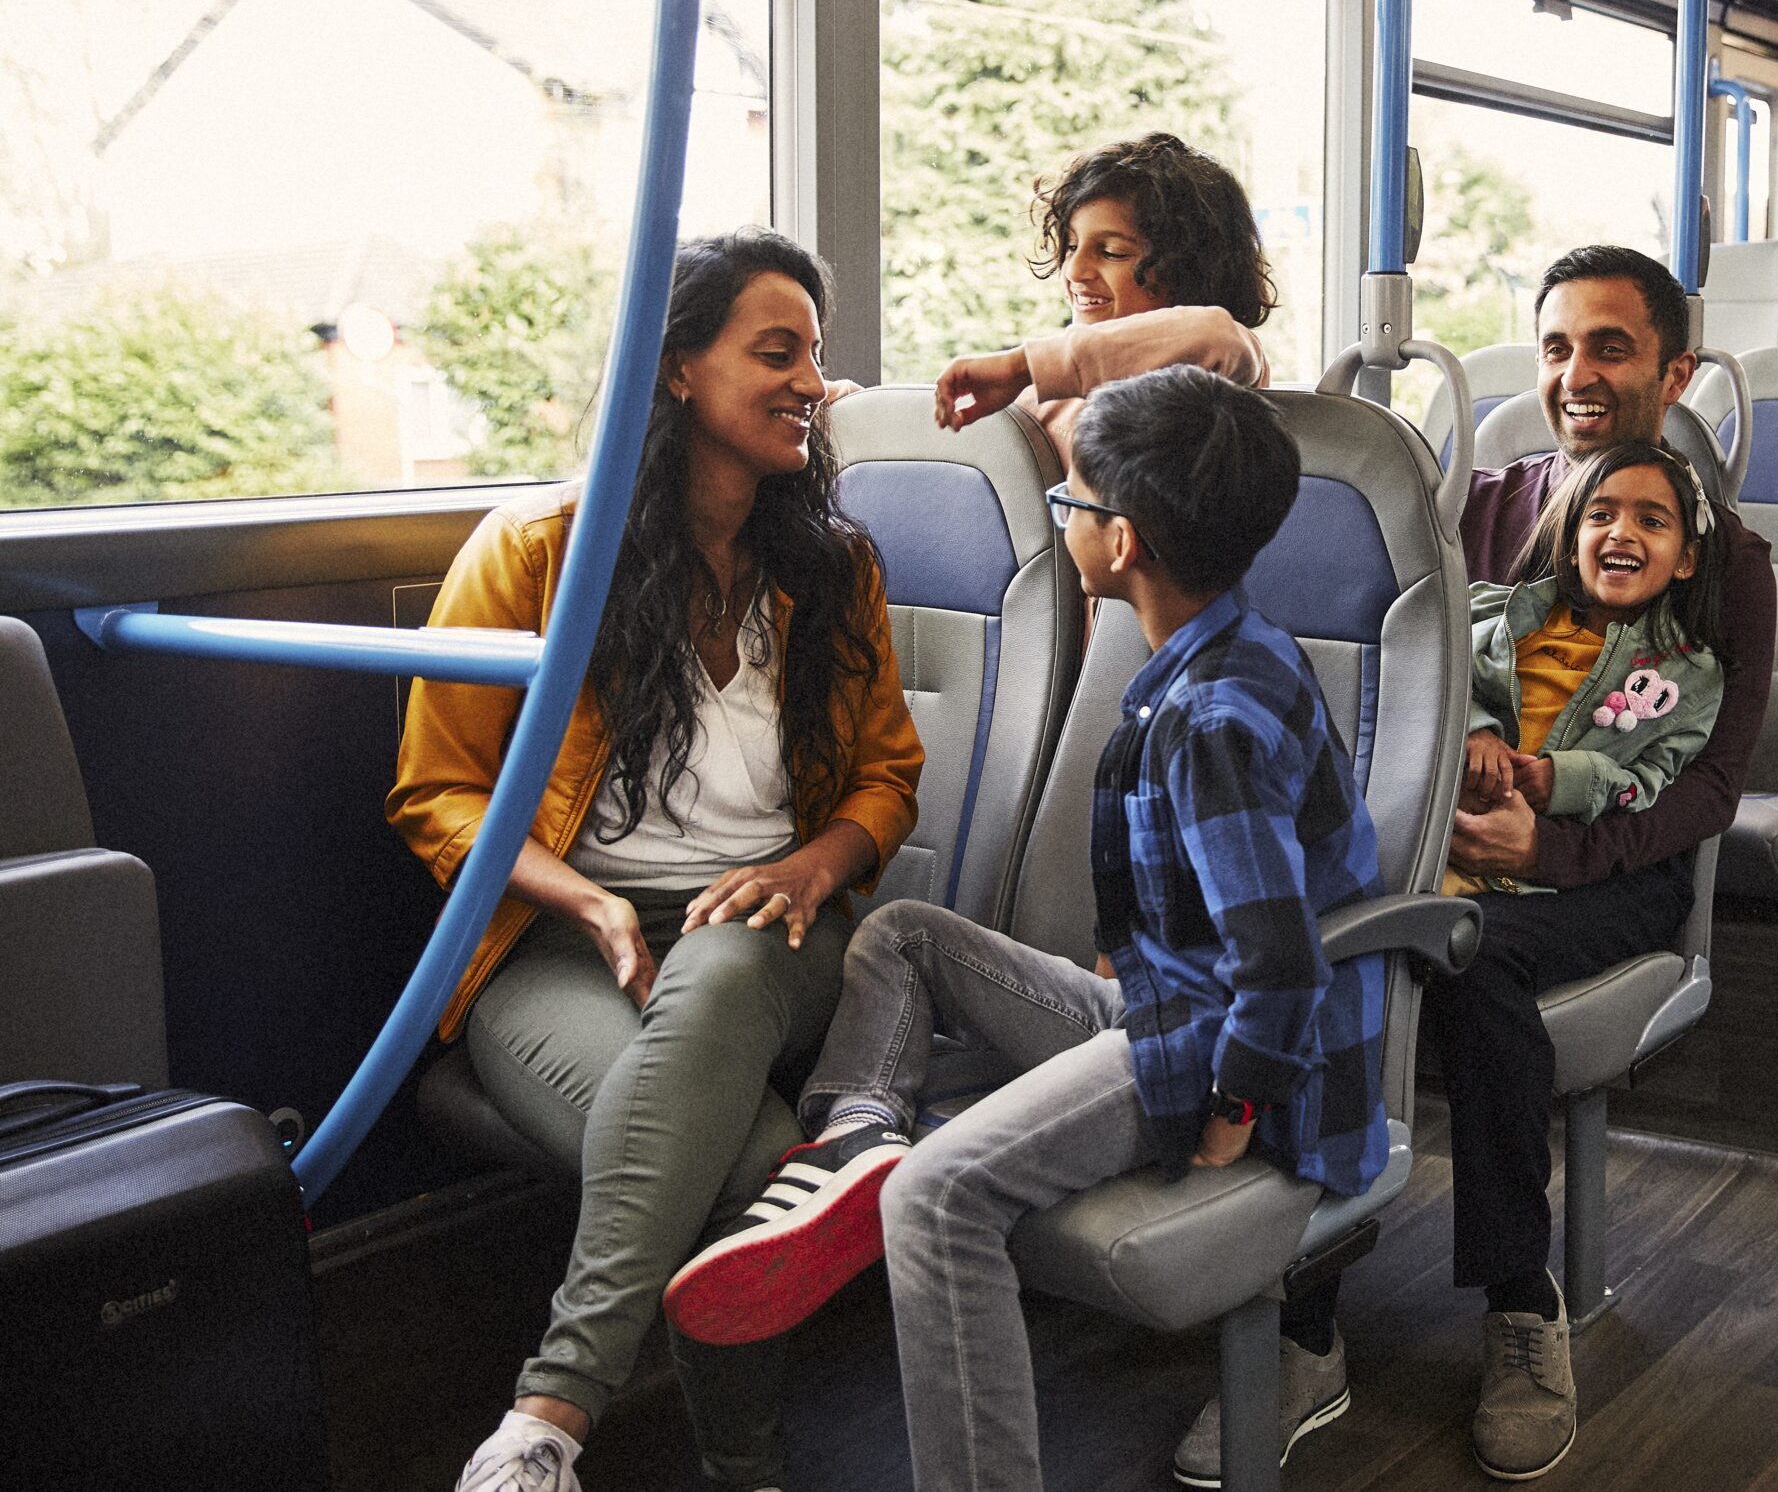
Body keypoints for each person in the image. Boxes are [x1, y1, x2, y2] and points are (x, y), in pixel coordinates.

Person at [655, 365, 1390, 1492]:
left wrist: (1234, 1113)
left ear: (1123, 540)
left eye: (1074, 503)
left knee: (941, 1196)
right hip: (1161, 1010)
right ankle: (855, 1137)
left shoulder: (1210, 719)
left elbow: (1281, 964)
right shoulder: (1219, 651)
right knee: (904, 933)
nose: (1065, 520)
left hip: (1207, 1054)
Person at [1168, 246, 1778, 1487]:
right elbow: (1416, 686)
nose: (1577, 375)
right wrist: (1467, 756)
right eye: (1556, 348)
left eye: (1610, 347)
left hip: (1617, 866)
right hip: (1453, 841)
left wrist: (1551, 843)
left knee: (1472, 964)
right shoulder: (1476, 507)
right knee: (1321, 944)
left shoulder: (1727, 559)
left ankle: (1517, 1301)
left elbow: (1707, 788)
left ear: (1676, 371)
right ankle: (1302, 1322)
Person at [388, 230, 925, 1492]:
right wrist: (585, 902)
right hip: (560, 942)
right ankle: (750, 1470)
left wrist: (809, 871)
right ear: (678, 366)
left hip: (778, 930)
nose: (810, 382)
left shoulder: (835, 568)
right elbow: (437, 790)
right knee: (747, 1167)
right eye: (773, 351)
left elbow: (886, 777)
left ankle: (548, 1417)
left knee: (729, 960)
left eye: (815, 356)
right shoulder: (534, 555)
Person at [1448, 441, 1728, 894]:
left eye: (1651, 522)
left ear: (1685, 561)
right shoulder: (1497, 612)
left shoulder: (1689, 676)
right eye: (1600, 516)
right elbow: (1433, 683)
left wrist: (1570, 780)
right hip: (1439, 825)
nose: (1620, 533)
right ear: (1574, 547)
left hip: (1532, 876)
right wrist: (1475, 730)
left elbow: (1650, 781)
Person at [930, 131, 1274, 464]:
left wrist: (1020, 366)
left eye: (1112, 253)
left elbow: (1215, 334)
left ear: (1193, 269)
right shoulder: (1038, 394)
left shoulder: (1217, 376)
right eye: (1071, 247)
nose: (1075, 270)